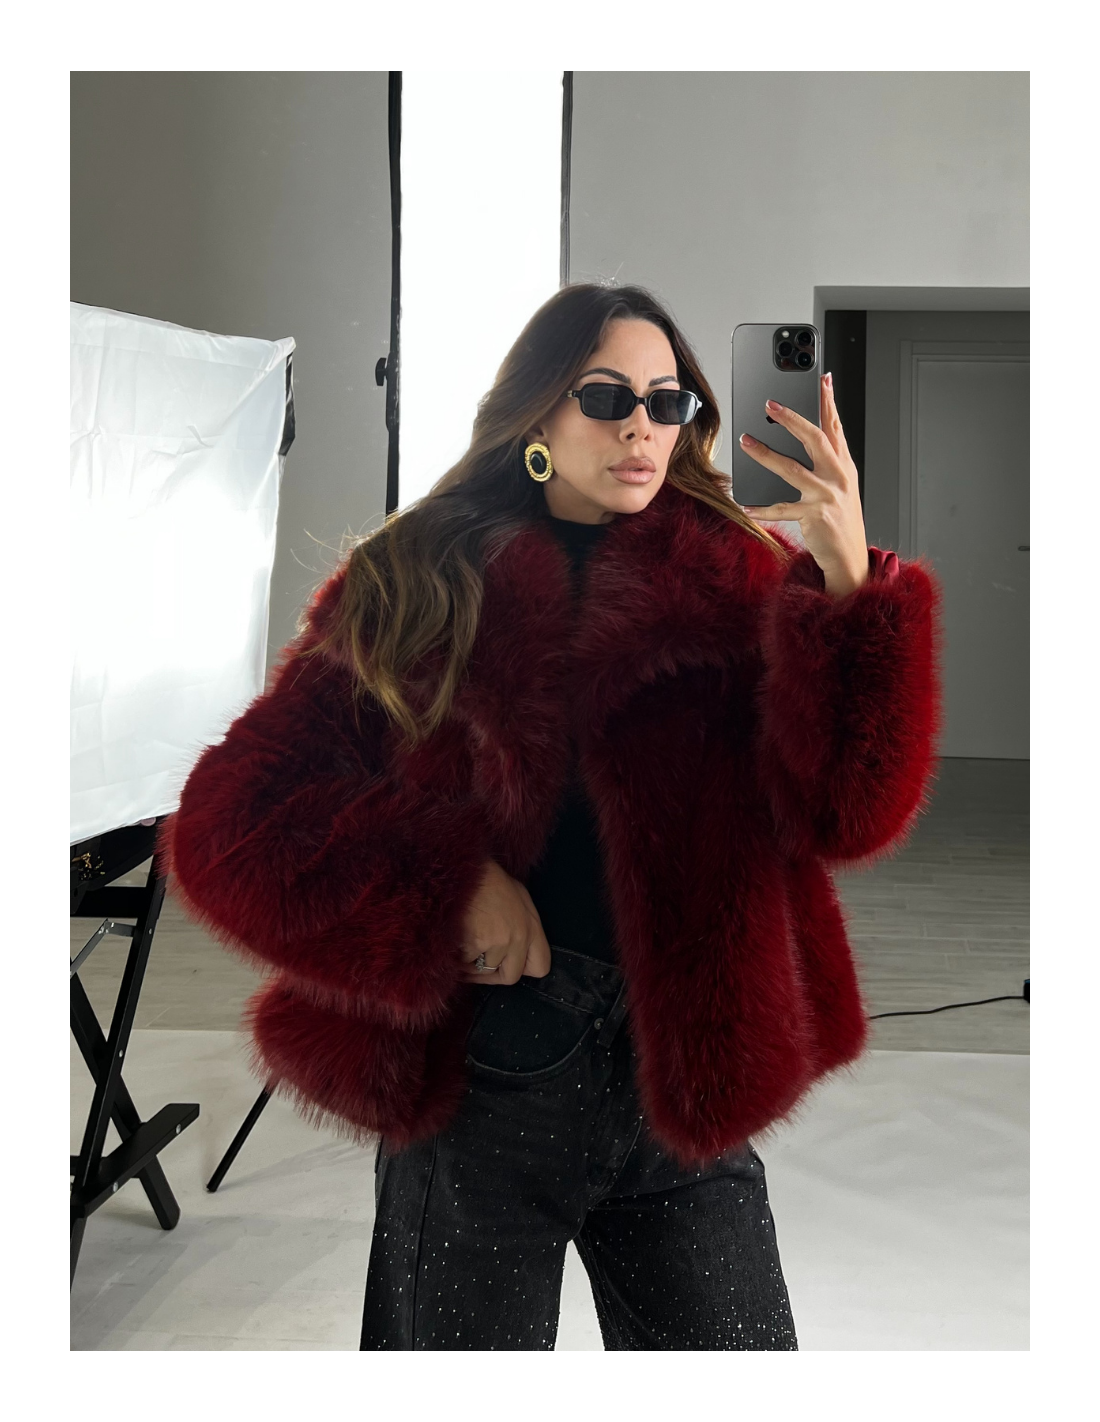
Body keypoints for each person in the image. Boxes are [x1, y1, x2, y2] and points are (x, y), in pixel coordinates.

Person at [163, 283, 941, 1350]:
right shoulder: (416, 576)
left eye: (666, 402)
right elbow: (231, 820)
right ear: (536, 411)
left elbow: (849, 814)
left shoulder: (748, 580)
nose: (639, 428)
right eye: (606, 396)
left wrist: (850, 590)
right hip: (487, 1078)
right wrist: (444, 888)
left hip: (688, 1078)